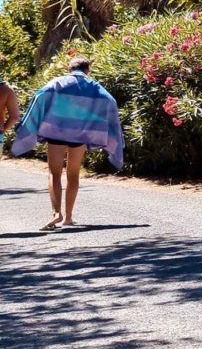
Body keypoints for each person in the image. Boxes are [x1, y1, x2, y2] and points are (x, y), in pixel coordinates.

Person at [12, 56, 125, 230]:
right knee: (73, 175)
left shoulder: (58, 82)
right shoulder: (94, 86)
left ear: (69, 67)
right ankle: (69, 217)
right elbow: (110, 101)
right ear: (88, 69)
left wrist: (33, 120)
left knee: (54, 173)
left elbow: (40, 95)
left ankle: (56, 213)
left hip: (56, 133)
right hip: (80, 136)